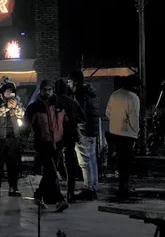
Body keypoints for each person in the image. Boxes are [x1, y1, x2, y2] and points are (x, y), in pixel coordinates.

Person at [25, 80, 70, 212]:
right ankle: (59, 200)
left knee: (49, 174)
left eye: (50, 89)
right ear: (41, 90)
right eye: (45, 89)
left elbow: (66, 124)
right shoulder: (35, 108)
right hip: (43, 144)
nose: (48, 92)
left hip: (57, 144)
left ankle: (38, 196)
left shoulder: (60, 106)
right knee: (52, 172)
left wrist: (67, 139)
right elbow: (27, 126)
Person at [106, 75, 141, 199]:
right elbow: (134, 118)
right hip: (127, 134)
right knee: (126, 161)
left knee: (120, 160)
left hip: (114, 132)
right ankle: (124, 187)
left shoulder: (114, 94)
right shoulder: (133, 98)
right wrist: (136, 132)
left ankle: (122, 185)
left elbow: (108, 112)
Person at [69, 70, 101, 200]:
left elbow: (78, 114)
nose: (68, 84)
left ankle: (88, 188)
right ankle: (93, 187)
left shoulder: (79, 95)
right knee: (92, 160)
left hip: (83, 131)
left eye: (69, 81)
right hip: (92, 130)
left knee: (85, 162)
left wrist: (75, 127)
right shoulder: (89, 93)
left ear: (75, 82)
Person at [0, 78, 25, 197]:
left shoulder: (17, 100)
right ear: (1, 91)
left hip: (13, 136)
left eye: (10, 90)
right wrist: (5, 106)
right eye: (6, 90)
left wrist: (15, 108)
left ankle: (13, 188)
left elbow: (22, 114)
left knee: (13, 164)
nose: (8, 92)